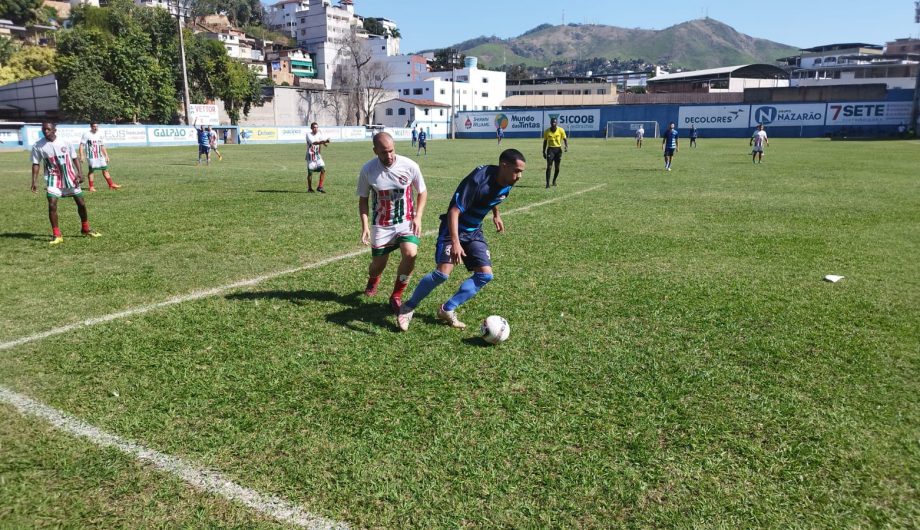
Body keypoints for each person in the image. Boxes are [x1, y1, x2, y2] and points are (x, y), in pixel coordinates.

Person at [397, 149, 527, 332]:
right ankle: (408, 307)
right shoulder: (478, 180)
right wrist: (456, 243)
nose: (519, 176)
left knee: (485, 275)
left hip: (474, 231)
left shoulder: (508, 180)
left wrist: (496, 215)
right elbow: (454, 212)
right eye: (517, 170)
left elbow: (496, 196)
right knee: (442, 273)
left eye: (521, 171)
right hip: (453, 228)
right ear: (504, 166)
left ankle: (447, 309)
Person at [358, 132, 428, 313]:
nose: (388, 156)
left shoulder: (410, 166)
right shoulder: (368, 170)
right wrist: (365, 226)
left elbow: (422, 191)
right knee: (377, 266)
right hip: (381, 224)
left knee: (411, 253)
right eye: (383, 152)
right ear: (375, 151)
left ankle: (396, 295)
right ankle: (373, 279)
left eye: (391, 151)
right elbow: (363, 199)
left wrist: (418, 216)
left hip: (405, 221)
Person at [31, 122, 101, 245]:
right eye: (44, 129)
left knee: (81, 204)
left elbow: (74, 157)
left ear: (54, 130)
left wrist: (80, 173)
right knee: (52, 205)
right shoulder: (38, 145)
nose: (45, 131)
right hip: (53, 178)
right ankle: (57, 235)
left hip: (70, 176)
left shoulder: (65, 142)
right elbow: (36, 163)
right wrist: (34, 181)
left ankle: (85, 228)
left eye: (48, 129)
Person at [78, 122, 121, 191]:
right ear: (91, 127)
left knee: (105, 169)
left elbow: (102, 146)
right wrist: (82, 155)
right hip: (91, 156)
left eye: (97, 126)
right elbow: (81, 145)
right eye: (94, 126)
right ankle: (91, 187)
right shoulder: (86, 134)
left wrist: (106, 155)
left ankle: (111, 184)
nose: (96, 128)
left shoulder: (99, 134)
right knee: (91, 171)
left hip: (100, 155)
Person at [542, 117, 567, 188]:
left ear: (557, 123)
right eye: (552, 122)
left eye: (555, 122)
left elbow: (565, 139)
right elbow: (545, 142)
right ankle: (547, 184)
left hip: (558, 150)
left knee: (557, 168)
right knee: (549, 167)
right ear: (550, 123)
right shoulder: (547, 131)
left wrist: (566, 146)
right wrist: (543, 151)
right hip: (550, 149)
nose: (553, 123)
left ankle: (554, 181)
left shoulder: (561, 130)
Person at [305, 122, 331, 193]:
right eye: (314, 127)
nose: (315, 129)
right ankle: (310, 188)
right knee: (310, 173)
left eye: (316, 127)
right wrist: (324, 141)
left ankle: (320, 187)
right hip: (310, 156)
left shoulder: (319, 134)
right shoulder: (308, 135)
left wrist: (325, 143)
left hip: (317, 155)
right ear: (311, 128)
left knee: (323, 169)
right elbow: (315, 143)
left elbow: (321, 142)